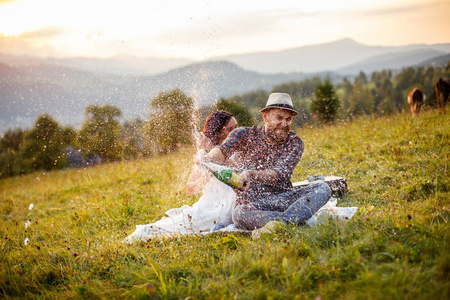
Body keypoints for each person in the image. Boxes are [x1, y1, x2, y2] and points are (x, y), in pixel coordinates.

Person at [198, 93, 332, 231]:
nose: (284, 124)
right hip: (253, 205)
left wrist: (251, 174)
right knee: (238, 214)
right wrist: (208, 158)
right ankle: (293, 220)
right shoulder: (243, 134)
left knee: (322, 188)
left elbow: (279, 175)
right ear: (265, 116)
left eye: (288, 119)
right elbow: (222, 151)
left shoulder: (294, 142)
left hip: (283, 199)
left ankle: (285, 220)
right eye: (279, 118)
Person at [124, 111, 237, 242]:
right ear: (217, 132)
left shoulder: (238, 149)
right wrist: (206, 173)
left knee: (222, 217)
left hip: (230, 203)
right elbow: (190, 189)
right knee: (170, 227)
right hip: (209, 204)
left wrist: (213, 156)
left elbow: (236, 171)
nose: (235, 132)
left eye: (236, 127)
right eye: (230, 129)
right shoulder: (203, 154)